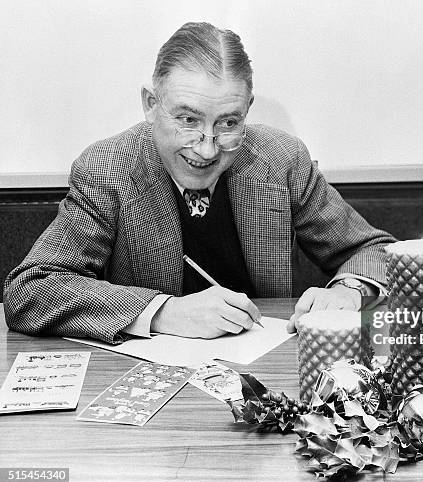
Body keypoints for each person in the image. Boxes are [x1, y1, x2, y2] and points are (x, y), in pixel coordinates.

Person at [3, 21, 395, 345]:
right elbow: (29, 290)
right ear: (150, 104)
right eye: (188, 120)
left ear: (247, 111)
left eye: (228, 123)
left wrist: (349, 292)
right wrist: (163, 312)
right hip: (155, 394)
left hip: (269, 378)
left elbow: (375, 250)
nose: (207, 149)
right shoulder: (108, 169)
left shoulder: (280, 159)